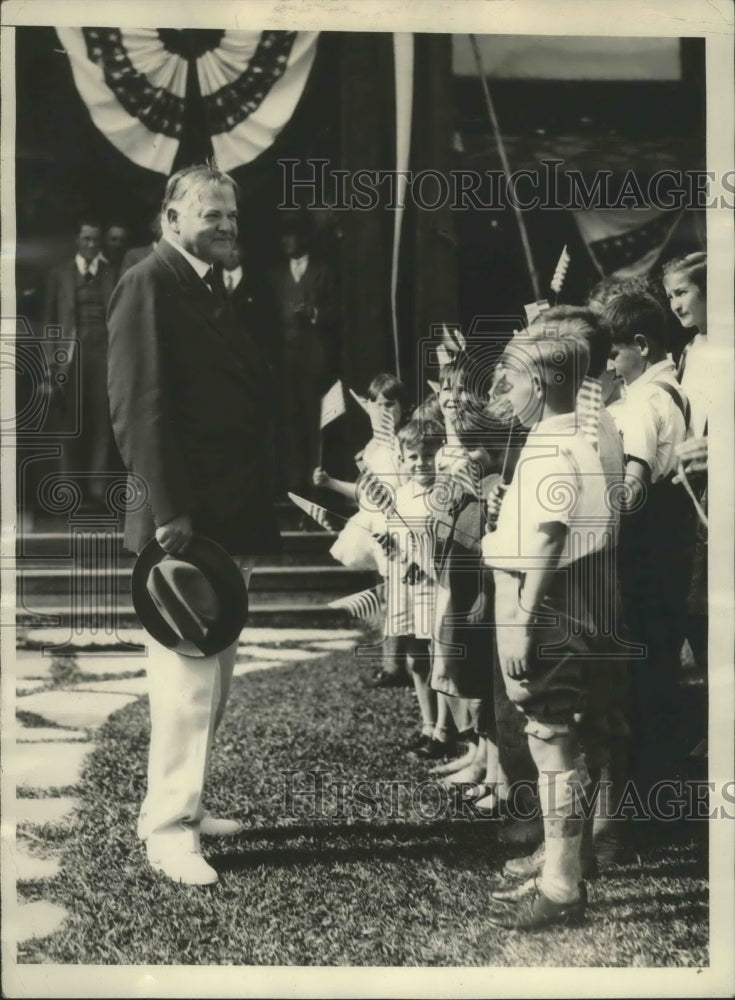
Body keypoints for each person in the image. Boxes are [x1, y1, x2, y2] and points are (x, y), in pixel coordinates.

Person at [107, 162, 280, 886]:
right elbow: (137, 406)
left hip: (227, 510)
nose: (226, 228)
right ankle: (168, 829)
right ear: (171, 218)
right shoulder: (149, 281)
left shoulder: (209, 286)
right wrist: (168, 507)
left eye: (233, 218)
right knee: (185, 678)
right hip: (184, 517)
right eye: (212, 215)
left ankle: (189, 804)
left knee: (216, 670)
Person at [482, 328, 614, 930]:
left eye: (508, 379)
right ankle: (562, 870)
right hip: (559, 602)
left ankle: (562, 887)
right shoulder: (555, 437)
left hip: (550, 607)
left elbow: (547, 539)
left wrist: (523, 622)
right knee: (551, 735)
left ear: (538, 384)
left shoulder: (556, 449)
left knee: (550, 736)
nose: (500, 390)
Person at [602, 289, 696, 791]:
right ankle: (657, 780)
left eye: (615, 354)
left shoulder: (645, 400)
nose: (612, 368)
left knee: (641, 669)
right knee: (657, 664)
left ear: (640, 344)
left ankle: (643, 787)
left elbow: (633, 485)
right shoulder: (671, 390)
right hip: (667, 544)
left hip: (645, 546)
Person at [316, 373, 409, 688]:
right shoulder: (371, 447)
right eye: (378, 405)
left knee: (400, 595)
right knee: (386, 595)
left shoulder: (405, 441)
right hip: (375, 524)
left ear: (402, 406)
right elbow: (364, 493)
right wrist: (329, 482)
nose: (384, 411)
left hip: (401, 522)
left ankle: (401, 663)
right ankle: (393, 663)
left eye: (391, 404)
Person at [44, 215, 117, 507]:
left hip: (104, 354)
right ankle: (68, 490)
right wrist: (51, 363)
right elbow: (50, 321)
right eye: (86, 239)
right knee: (70, 423)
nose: (91, 244)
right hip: (70, 357)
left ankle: (98, 489)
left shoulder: (111, 273)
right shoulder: (59, 274)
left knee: (103, 422)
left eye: (95, 240)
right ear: (77, 240)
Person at [269, 214, 339, 494]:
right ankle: (291, 483)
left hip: (314, 360)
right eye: (283, 238)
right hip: (284, 360)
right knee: (288, 420)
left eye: (291, 237)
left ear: (303, 239)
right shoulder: (274, 275)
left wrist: (314, 313)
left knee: (314, 420)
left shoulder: (324, 271)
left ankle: (316, 482)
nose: (286, 243)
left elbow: (339, 312)